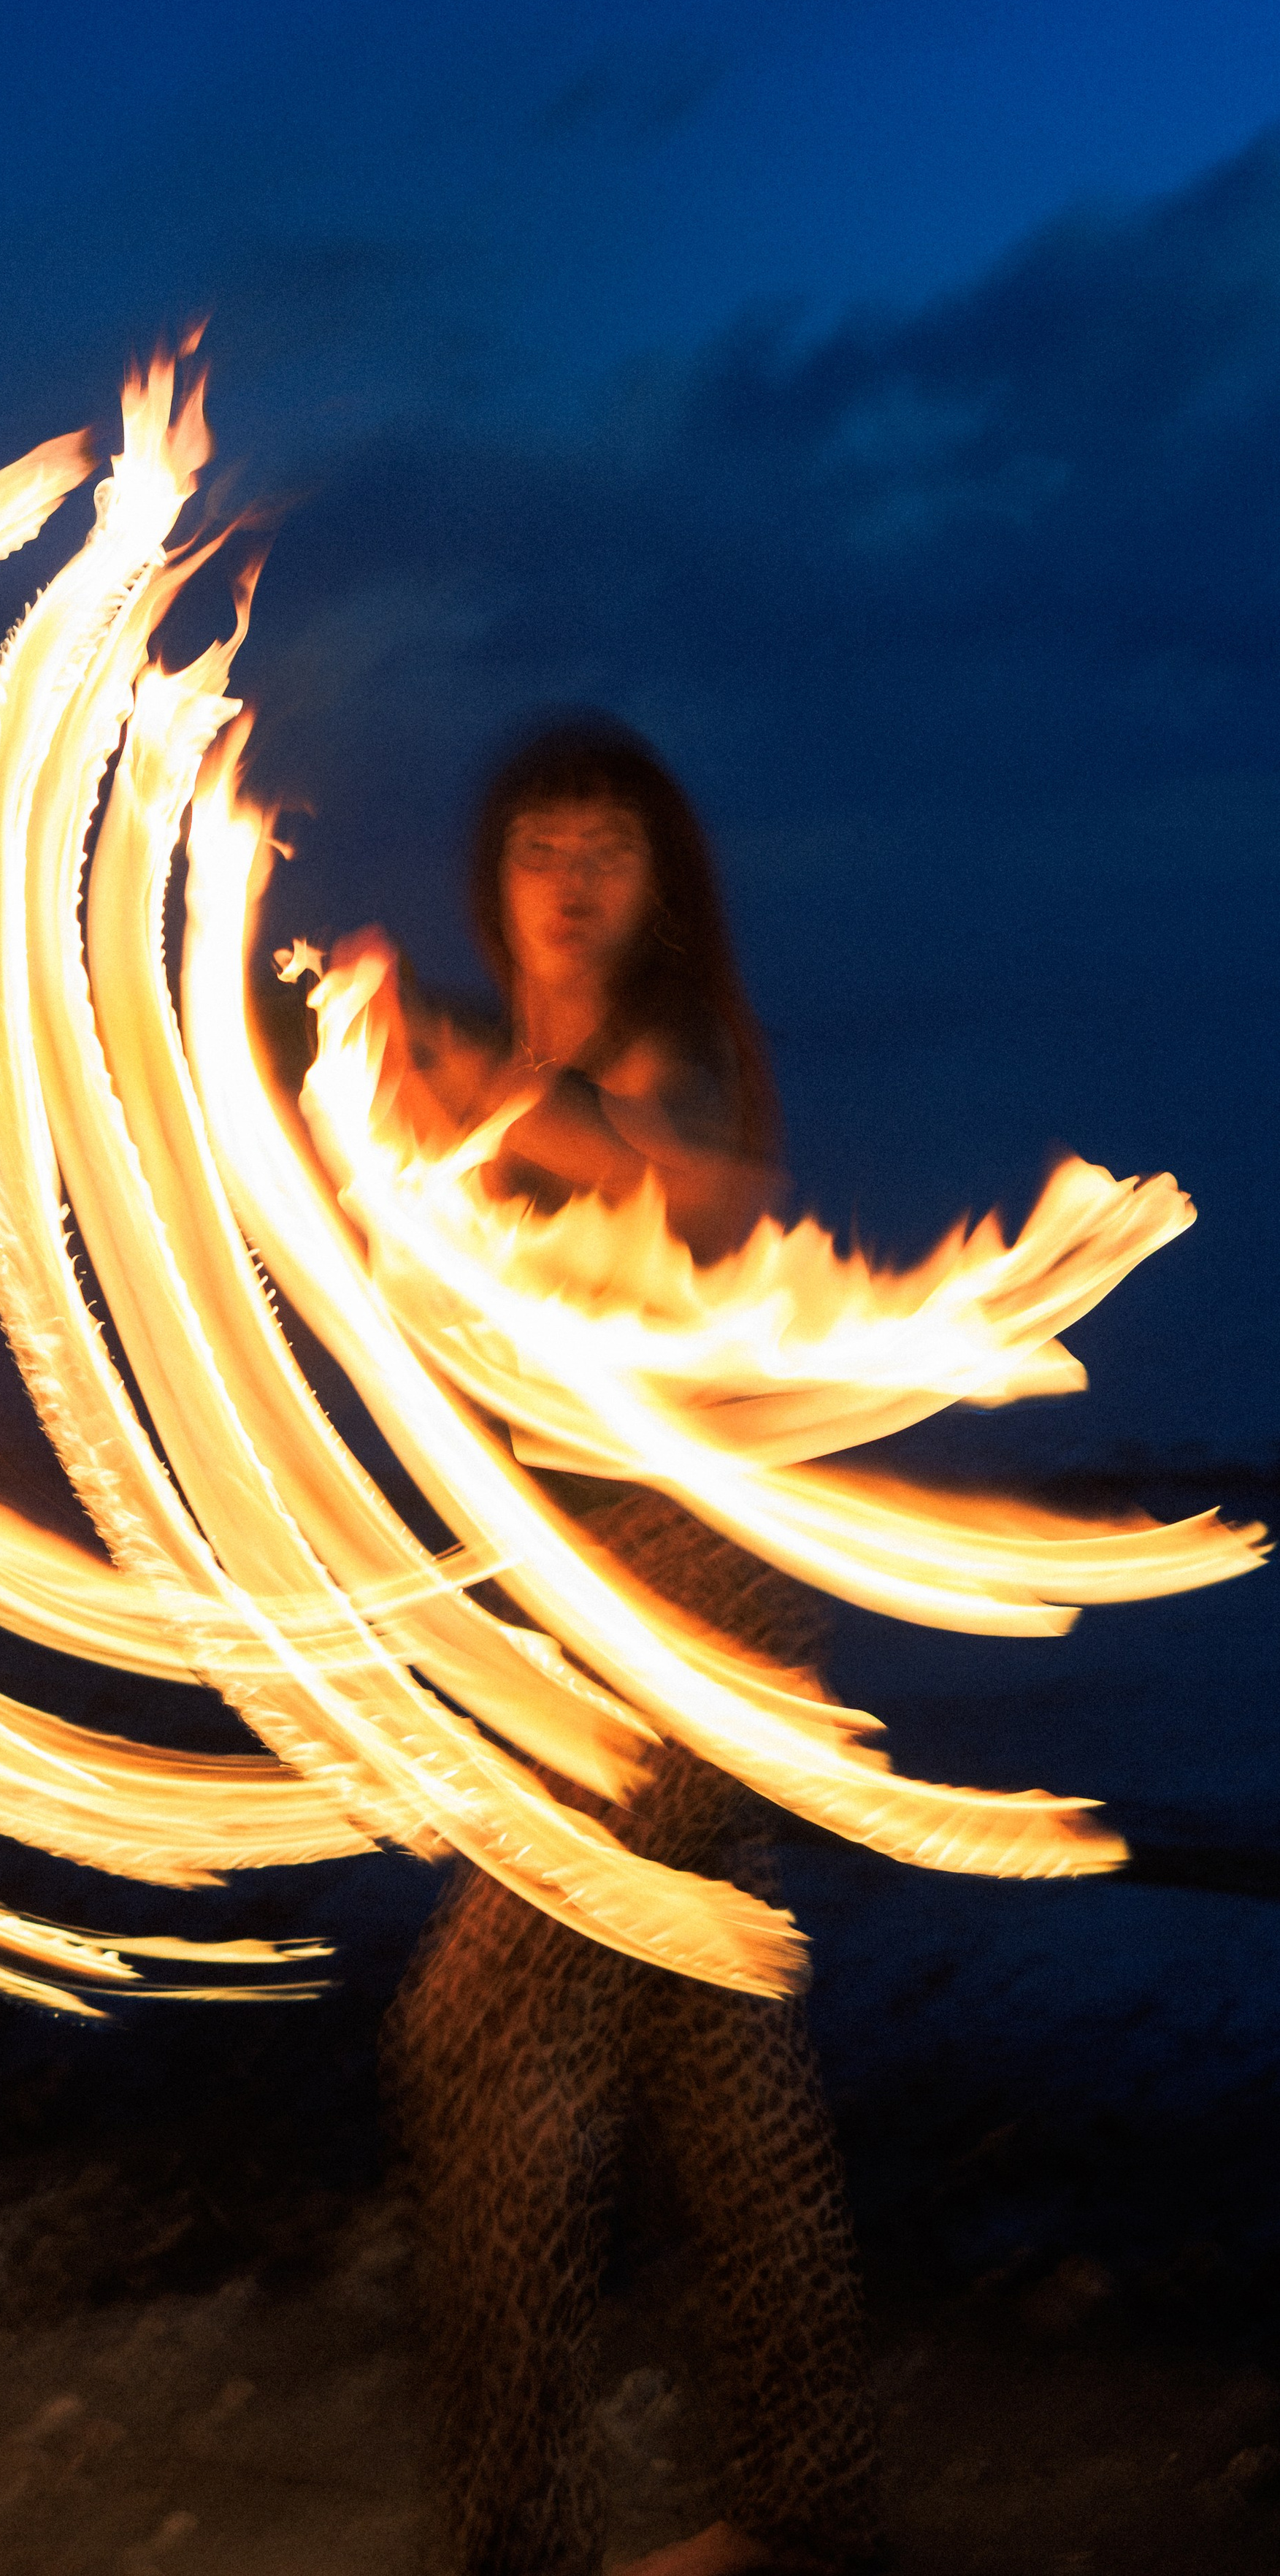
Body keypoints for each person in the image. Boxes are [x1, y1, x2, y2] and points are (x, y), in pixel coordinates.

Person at [356, 722, 884, 2576]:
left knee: (473, 2033)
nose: (572, 874)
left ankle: (519, 2542)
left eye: (609, 845)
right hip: (576, 1600)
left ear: (657, 886)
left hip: (687, 1604)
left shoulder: (669, 1064)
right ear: (493, 882)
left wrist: (456, 1095)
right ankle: (809, 2501)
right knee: (708, 2050)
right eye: (538, 843)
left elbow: (694, 1198)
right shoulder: (491, 1079)